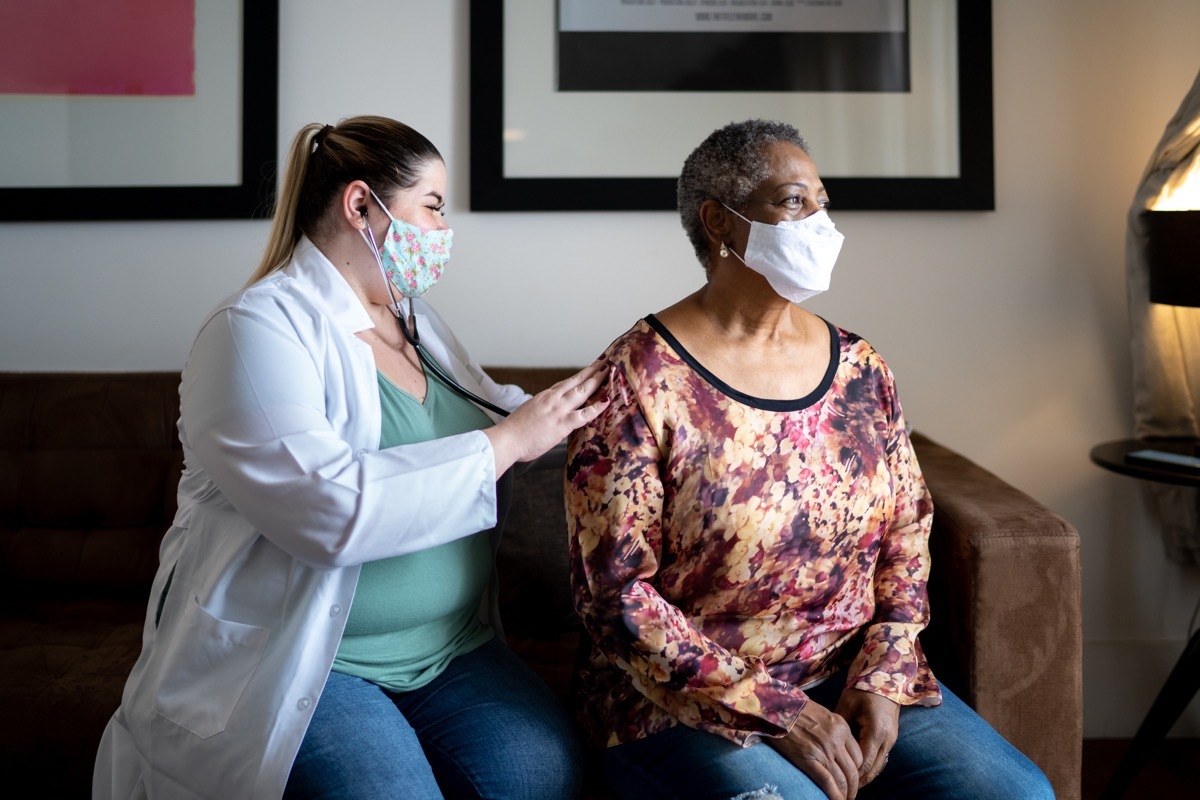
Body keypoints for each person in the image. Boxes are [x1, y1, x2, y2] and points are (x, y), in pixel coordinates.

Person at [93, 115, 608, 800]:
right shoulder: (254, 332)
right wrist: (511, 441)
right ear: (360, 204)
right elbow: (326, 510)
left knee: (543, 778)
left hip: (451, 652)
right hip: (309, 662)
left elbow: (498, 411)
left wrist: (624, 396)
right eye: (431, 205)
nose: (442, 230)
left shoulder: (414, 320)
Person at [564, 119, 1054, 800]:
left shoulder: (860, 368)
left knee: (1018, 795)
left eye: (823, 202)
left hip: (848, 675)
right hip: (682, 705)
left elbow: (906, 535)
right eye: (794, 202)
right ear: (720, 224)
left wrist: (884, 674)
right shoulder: (638, 380)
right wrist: (778, 712)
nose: (821, 223)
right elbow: (615, 597)